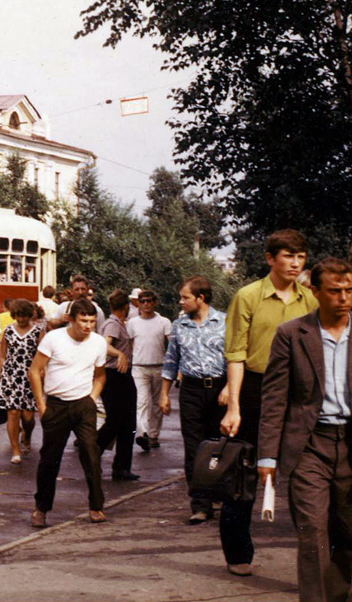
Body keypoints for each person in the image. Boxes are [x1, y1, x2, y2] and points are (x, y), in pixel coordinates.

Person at [258, 257, 352, 602]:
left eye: (349, 290)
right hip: (309, 447)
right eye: (334, 291)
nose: (344, 298)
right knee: (312, 532)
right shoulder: (292, 335)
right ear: (314, 291)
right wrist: (267, 456)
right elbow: (274, 399)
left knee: (345, 535)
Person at [220, 229, 317, 576]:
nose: (295, 263)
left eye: (300, 256)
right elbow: (236, 354)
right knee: (243, 474)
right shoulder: (248, 297)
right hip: (254, 389)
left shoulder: (311, 300)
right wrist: (234, 404)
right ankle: (238, 552)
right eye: (288, 256)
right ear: (270, 259)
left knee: (307, 474)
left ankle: (314, 555)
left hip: (300, 393)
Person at [29, 298, 108, 527]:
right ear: (71, 319)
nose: (88, 326)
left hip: (83, 404)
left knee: (92, 455)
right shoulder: (54, 338)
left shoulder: (98, 343)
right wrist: (41, 406)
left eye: (92, 321)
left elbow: (101, 375)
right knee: (50, 459)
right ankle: (41, 508)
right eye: (83, 321)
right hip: (56, 405)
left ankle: (96, 506)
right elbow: (34, 371)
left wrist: (92, 398)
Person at [161, 275, 228, 523]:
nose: (181, 302)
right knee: (193, 448)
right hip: (190, 390)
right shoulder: (179, 325)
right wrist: (164, 394)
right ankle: (200, 504)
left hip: (219, 389)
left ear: (201, 298)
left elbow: (234, 357)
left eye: (185, 297)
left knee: (218, 445)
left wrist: (230, 387)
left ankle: (219, 493)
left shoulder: (224, 322)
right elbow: (172, 359)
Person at [95, 290, 140, 481]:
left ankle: (121, 467)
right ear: (126, 308)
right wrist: (120, 354)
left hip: (123, 376)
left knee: (127, 423)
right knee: (115, 420)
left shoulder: (119, 324)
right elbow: (105, 346)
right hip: (113, 376)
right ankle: (93, 450)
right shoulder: (112, 324)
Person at [0, 298, 43, 464]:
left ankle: (27, 435)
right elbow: (2, 355)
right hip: (11, 375)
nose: (21, 319)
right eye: (18, 316)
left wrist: (42, 375)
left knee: (28, 417)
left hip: (30, 377)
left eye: (24, 316)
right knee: (13, 413)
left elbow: (42, 355)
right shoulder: (8, 331)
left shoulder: (37, 332)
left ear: (29, 315)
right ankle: (15, 450)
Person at [128, 290, 173, 452]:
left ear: (155, 302)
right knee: (141, 401)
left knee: (156, 403)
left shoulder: (164, 322)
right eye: (142, 301)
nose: (146, 304)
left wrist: (172, 367)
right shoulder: (133, 323)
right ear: (138, 303)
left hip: (159, 367)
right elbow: (129, 344)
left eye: (149, 301)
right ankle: (143, 433)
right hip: (139, 367)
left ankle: (153, 435)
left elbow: (172, 345)